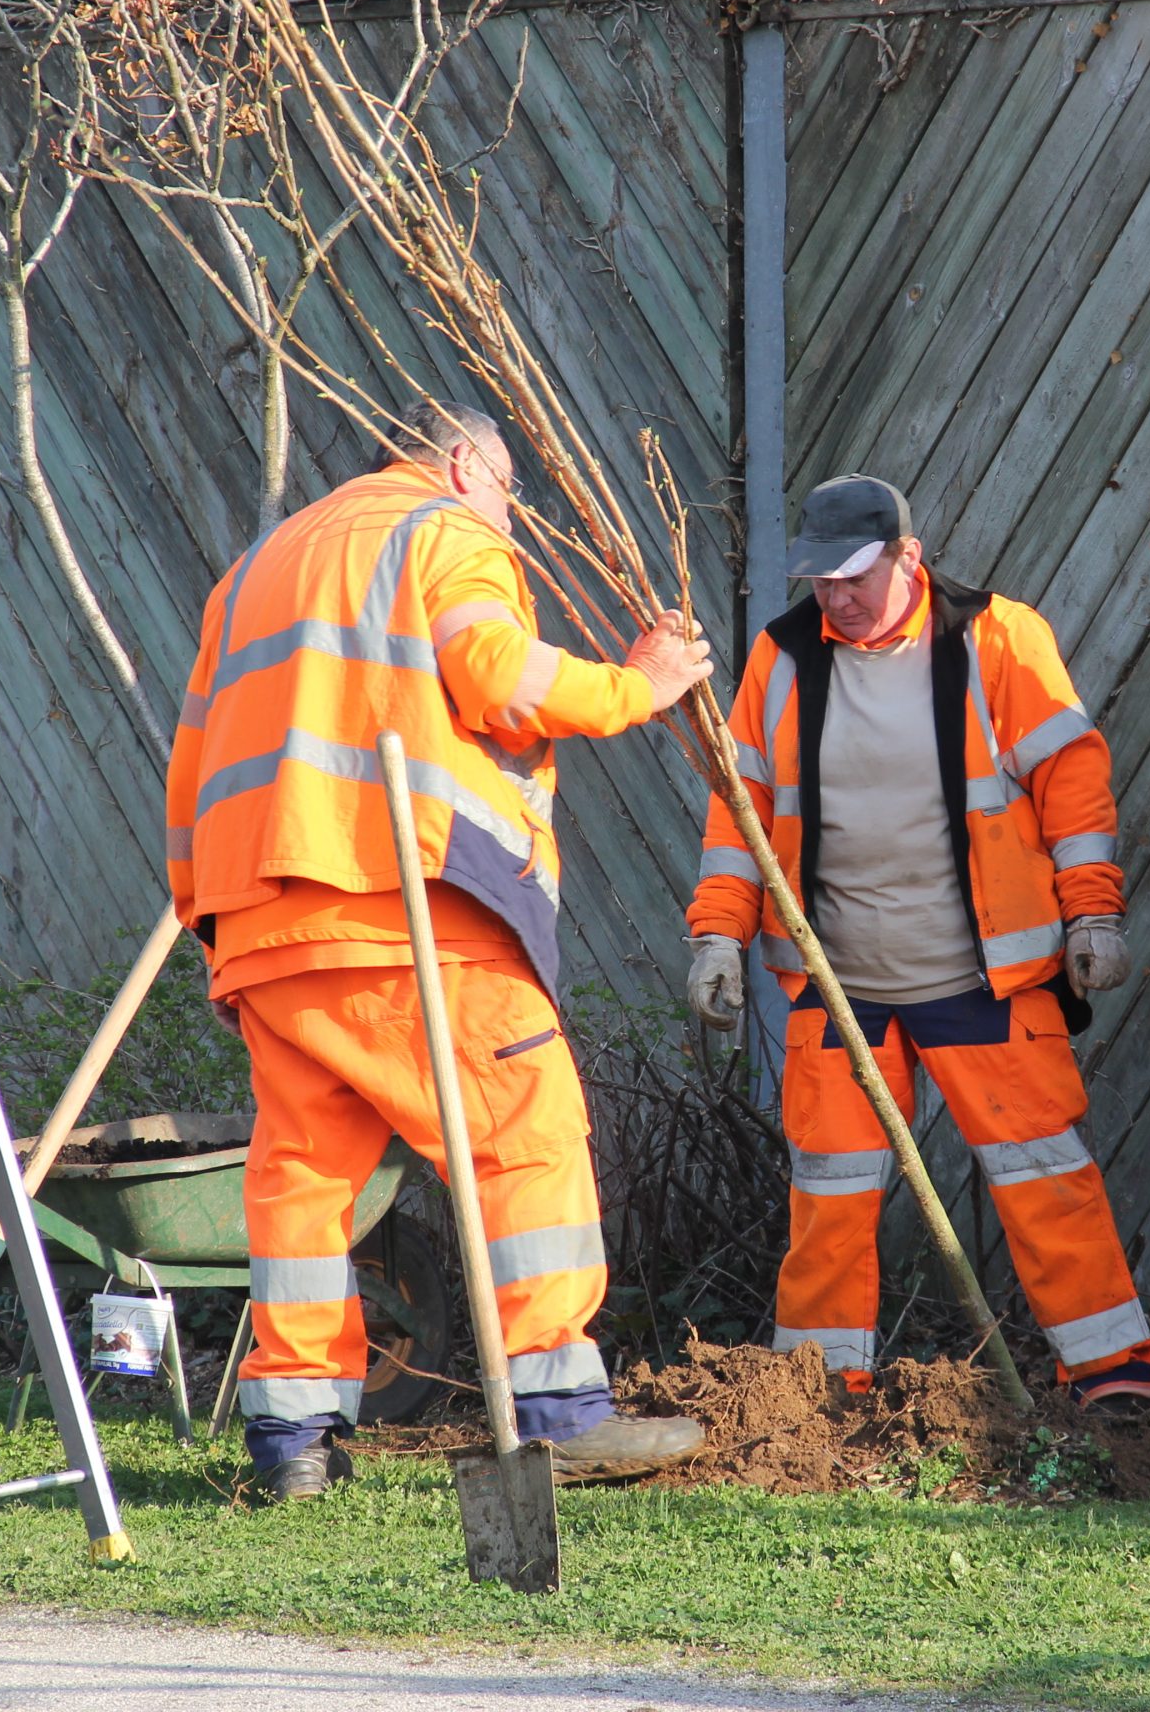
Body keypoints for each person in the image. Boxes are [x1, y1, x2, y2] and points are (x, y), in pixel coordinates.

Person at [166, 398, 714, 1500]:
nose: (512, 517)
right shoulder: (444, 530)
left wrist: (207, 911)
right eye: (508, 491)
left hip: (266, 918)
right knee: (527, 1131)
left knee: (304, 1182)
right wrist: (636, 688)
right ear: (464, 463)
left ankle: (293, 1442)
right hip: (408, 910)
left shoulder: (260, 565)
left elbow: (194, 756)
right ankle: (559, 1408)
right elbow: (499, 675)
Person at [684, 474, 1150, 1406]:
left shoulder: (995, 640)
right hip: (836, 989)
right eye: (820, 579)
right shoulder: (781, 661)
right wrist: (716, 937)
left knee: (1046, 1179)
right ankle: (811, 1401)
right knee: (828, 1197)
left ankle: (1117, 1385)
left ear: (911, 556)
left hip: (985, 982)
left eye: (855, 576)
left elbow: (1072, 780)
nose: (836, 597)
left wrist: (1093, 911)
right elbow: (737, 817)